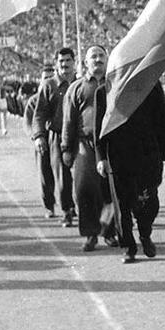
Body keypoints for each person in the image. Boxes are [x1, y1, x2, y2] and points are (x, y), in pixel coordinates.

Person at [94, 80, 165, 263]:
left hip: (148, 154)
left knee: (149, 203)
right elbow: (99, 126)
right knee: (122, 205)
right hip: (117, 155)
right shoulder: (104, 91)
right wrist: (101, 158)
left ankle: (145, 233)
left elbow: (161, 119)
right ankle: (128, 246)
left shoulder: (151, 84)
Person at [61, 45, 117, 252]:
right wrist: (66, 149)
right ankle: (90, 234)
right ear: (85, 62)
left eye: (101, 55)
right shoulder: (76, 88)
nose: (98, 59)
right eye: (93, 56)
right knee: (84, 190)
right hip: (85, 145)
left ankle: (110, 232)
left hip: (111, 144)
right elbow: (68, 121)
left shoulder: (114, 84)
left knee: (111, 191)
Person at [32, 48, 77, 227]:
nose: (64, 64)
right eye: (61, 61)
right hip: (57, 136)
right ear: (57, 63)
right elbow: (39, 114)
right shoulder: (49, 85)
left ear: (74, 62)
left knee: (85, 175)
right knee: (62, 176)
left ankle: (86, 208)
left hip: (79, 136)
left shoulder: (81, 83)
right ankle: (67, 210)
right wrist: (39, 136)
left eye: (68, 60)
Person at [23, 64, 56, 217]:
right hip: (42, 141)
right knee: (45, 174)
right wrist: (37, 137)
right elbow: (29, 123)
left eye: (51, 77)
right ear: (40, 81)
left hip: (59, 139)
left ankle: (69, 206)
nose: (48, 80)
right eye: (45, 78)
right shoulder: (34, 101)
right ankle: (49, 206)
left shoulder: (59, 95)